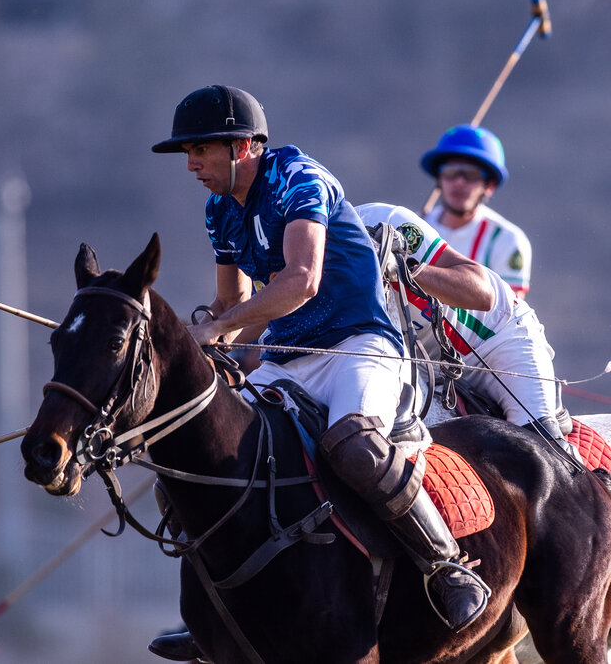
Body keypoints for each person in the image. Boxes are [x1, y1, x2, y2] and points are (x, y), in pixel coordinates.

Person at [147, 85, 490, 660]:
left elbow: (301, 280)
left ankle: (446, 566)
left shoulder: (299, 178)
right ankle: (217, 604)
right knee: (201, 451)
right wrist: (201, 339)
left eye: (200, 149)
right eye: (188, 153)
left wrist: (218, 328)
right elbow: (231, 305)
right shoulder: (219, 211)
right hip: (289, 359)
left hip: (359, 346)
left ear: (242, 146)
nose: (191, 164)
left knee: (356, 446)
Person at [357, 202, 578, 460]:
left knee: (541, 454)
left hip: (497, 341)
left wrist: (405, 270)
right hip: (427, 368)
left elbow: (483, 294)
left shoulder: (385, 219)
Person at [420, 124, 532, 299]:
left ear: (490, 186)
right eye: (450, 172)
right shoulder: (414, 227)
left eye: (471, 174)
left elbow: (510, 312)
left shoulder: (506, 240)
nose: (459, 182)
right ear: (438, 179)